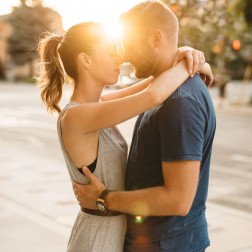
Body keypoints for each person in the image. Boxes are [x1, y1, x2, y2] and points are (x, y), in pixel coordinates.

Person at [36, 20, 212, 252]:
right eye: (110, 52)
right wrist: (188, 66)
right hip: (98, 239)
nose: (119, 58)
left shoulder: (97, 105)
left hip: (113, 232)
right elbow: (153, 95)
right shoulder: (77, 117)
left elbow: (152, 82)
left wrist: (188, 55)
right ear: (85, 60)